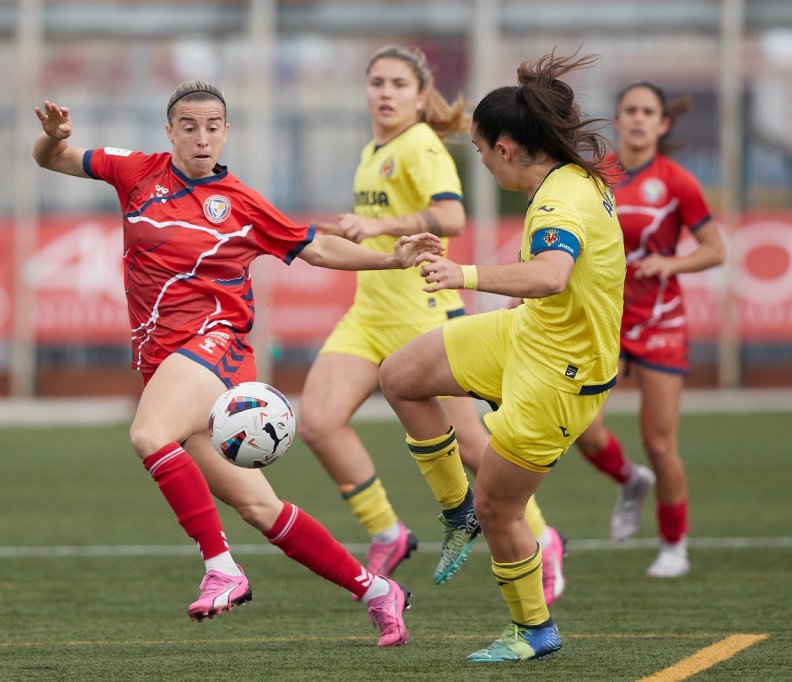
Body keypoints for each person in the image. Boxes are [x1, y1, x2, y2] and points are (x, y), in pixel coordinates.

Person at [32, 81, 445, 647]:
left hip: (217, 346)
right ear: (170, 131)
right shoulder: (134, 171)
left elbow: (317, 248)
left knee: (150, 433)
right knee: (258, 505)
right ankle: (376, 589)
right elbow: (53, 158)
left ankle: (221, 567)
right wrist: (51, 138)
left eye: (212, 126)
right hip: (164, 359)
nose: (202, 137)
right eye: (189, 126)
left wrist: (389, 259)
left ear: (226, 132)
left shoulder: (243, 202)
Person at [379, 51, 625, 663]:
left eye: (481, 150)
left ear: (508, 147)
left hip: (560, 376)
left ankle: (534, 631)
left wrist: (459, 272)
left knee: (502, 507)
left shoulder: (559, 201)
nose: (481, 162)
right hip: (526, 336)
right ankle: (455, 510)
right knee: (402, 374)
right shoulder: (564, 181)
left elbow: (549, 274)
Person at [298, 45, 566, 603]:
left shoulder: (420, 146)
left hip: (420, 311)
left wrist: (379, 224)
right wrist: (361, 231)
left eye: (399, 83)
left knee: (471, 445)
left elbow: (451, 216)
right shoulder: (374, 149)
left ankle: (543, 539)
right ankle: (388, 532)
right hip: (368, 312)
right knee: (319, 422)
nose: (385, 92)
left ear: (421, 96)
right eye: (377, 82)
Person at [574, 82, 726, 578]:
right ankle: (627, 479)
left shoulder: (678, 182)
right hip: (605, 320)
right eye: (630, 111)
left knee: (660, 443)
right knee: (581, 427)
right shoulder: (593, 178)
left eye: (648, 112)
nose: (639, 119)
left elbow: (714, 249)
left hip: (660, 321)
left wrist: (671, 262)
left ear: (662, 124)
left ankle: (673, 545)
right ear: (617, 120)